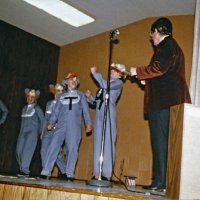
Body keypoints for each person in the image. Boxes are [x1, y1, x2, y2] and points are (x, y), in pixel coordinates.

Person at [130, 17, 191, 191]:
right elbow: (164, 73)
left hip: (163, 102)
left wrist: (138, 71)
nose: (151, 37)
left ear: (157, 31)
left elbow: (159, 68)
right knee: (164, 143)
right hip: (169, 101)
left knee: (159, 142)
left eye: (152, 33)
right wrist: (146, 81)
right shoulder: (173, 46)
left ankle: (160, 182)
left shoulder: (166, 45)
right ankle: (163, 182)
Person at [40, 73, 92, 180]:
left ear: (77, 83)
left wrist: (88, 124)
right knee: (54, 145)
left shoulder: (80, 95)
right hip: (61, 125)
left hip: (74, 126)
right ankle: (46, 170)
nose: (73, 81)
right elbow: (56, 111)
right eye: (70, 80)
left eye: (75, 80)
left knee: (72, 148)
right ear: (66, 83)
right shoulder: (61, 96)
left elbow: (86, 111)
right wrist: (51, 122)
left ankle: (69, 173)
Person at [85, 63, 127, 181]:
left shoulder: (118, 83)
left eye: (116, 71)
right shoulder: (104, 87)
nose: (112, 72)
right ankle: (97, 172)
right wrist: (90, 98)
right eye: (113, 70)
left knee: (107, 142)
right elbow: (97, 102)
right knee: (98, 142)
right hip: (99, 113)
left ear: (120, 75)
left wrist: (95, 74)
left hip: (108, 112)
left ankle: (106, 173)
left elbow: (104, 85)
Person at [16, 89, 44, 177]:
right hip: (22, 132)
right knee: (18, 151)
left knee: (28, 151)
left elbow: (43, 120)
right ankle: (22, 168)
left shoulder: (37, 108)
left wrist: (41, 132)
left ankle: (25, 170)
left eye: (33, 97)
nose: (31, 98)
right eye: (29, 96)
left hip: (32, 132)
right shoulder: (24, 108)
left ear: (35, 98)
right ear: (27, 97)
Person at [40, 83, 66, 178]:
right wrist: (42, 132)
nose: (59, 93)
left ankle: (64, 170)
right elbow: (45, 119)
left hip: (57, 131)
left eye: (61, 91)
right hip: (47, 131)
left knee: (56, 153)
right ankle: (45, 171)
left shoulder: (64, 104)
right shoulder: (49, 103)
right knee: (43, 150)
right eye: (57, 91)